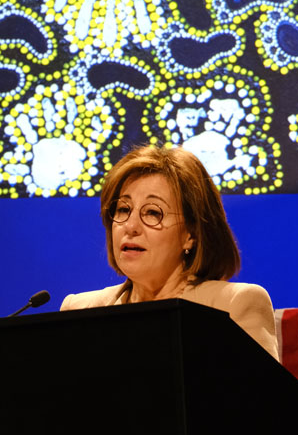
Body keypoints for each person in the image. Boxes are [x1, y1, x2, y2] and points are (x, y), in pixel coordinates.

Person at [61, 144, 279, 360]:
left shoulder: (232, 306)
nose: (131, 226)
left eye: (153, 213)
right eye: (123, 209)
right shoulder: (79, 311)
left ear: (191, 235)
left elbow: (264, 395)